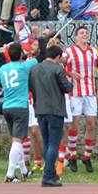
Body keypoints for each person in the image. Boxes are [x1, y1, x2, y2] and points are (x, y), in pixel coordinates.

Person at [0, 42, 39, 182]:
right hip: (20, 107)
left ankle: (24, 171)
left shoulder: (3, 68)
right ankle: (10, 173)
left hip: (6, 107)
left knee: (16, 139)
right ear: (20, 54)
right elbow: (40, 57)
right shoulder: (24, 66)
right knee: (17, 142)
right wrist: (40, 46)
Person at [29, 42, 74, 186]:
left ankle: (51, 174)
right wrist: (71, 81)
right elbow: (67, 88)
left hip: (40, 109)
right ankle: (48, 175)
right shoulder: (58, 69)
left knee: (47, 143)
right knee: (54, 143)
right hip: (55, 110)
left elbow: (31, 87)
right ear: (58, 56)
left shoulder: (34, 68)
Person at [61, 26, 98, 172]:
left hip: (90, 92)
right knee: (75, 124)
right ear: (76, 37)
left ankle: (86, 157)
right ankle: (72, 155)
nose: (84, 35)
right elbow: (60, 64)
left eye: (86, 33)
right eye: (81, 33)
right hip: (75, 93)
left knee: (91, 124)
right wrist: (70, 73)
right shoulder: (70, 51)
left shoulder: (93, 51)